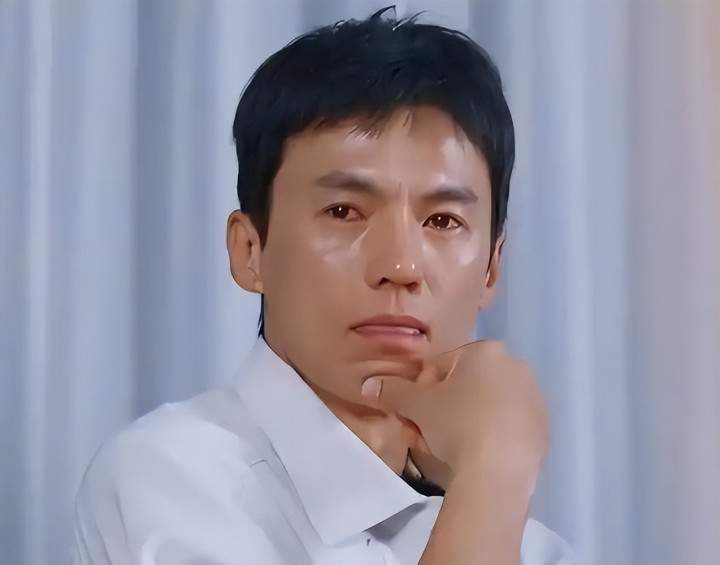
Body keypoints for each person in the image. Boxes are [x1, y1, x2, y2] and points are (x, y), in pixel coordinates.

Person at [72, 7, 576, 565]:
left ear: (491, 268)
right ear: (249, 250)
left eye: (442, 221)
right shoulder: (171, 479)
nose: (401, 266)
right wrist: (496, 466)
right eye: (344, 212)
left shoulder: (531, 548)